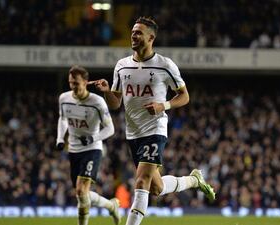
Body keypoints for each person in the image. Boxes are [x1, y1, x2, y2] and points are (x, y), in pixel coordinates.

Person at [91, 17, 216, 225]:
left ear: (151, 38)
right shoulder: (121, 66)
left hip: (155, 129)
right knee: (155, 188)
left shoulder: (165, 65)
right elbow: (115, 104)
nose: (133, 35)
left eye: (139, 32)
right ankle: (194, 180)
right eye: (132, 31)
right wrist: (106, 92)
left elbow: (184, 96)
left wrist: (163, 105)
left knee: (141, 181)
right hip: (133, 134)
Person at [56, 65, 121, 225]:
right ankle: (111, 205)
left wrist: (93, 138)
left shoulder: (97, 102)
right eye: (71, 83)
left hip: (92, 149)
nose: (73, 87)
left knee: (80, 189)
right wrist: (60, 139)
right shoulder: (64, 98)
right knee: (82, 194)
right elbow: (63, 119)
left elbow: (110, 128)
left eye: (76, 83)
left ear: (85, 82)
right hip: (74, 149)